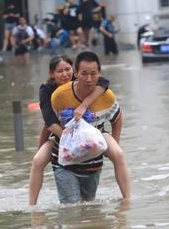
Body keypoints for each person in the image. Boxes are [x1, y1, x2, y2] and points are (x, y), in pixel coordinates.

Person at [28, 55, 130, 205]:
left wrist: (84, 105)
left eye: (67, 69)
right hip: (60, 133)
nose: (64, 74)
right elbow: (48, 123)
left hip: (95, 131)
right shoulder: (51, 93)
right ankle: (32, 205)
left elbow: (104, 84)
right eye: (59, 71)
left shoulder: (91, 81)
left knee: (118, 154)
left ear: (74, 71)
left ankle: (127, 200)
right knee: (37, 160)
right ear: (51, 74)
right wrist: (73, 138)